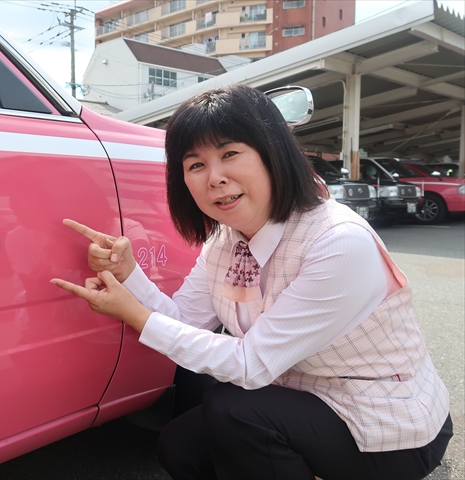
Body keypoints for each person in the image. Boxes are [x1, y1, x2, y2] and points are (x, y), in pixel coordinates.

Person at [50, 84, 452, 480]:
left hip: (385, 422)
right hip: (298, 397)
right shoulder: (224, 241)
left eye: (230, 154)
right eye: (195, 165)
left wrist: (135, 315)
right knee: (179, 447)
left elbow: (251, 365)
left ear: (273, 153)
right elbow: (185, 321)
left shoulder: (338, 242)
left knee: (234, 411)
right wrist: (128, 274)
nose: (215, 178)